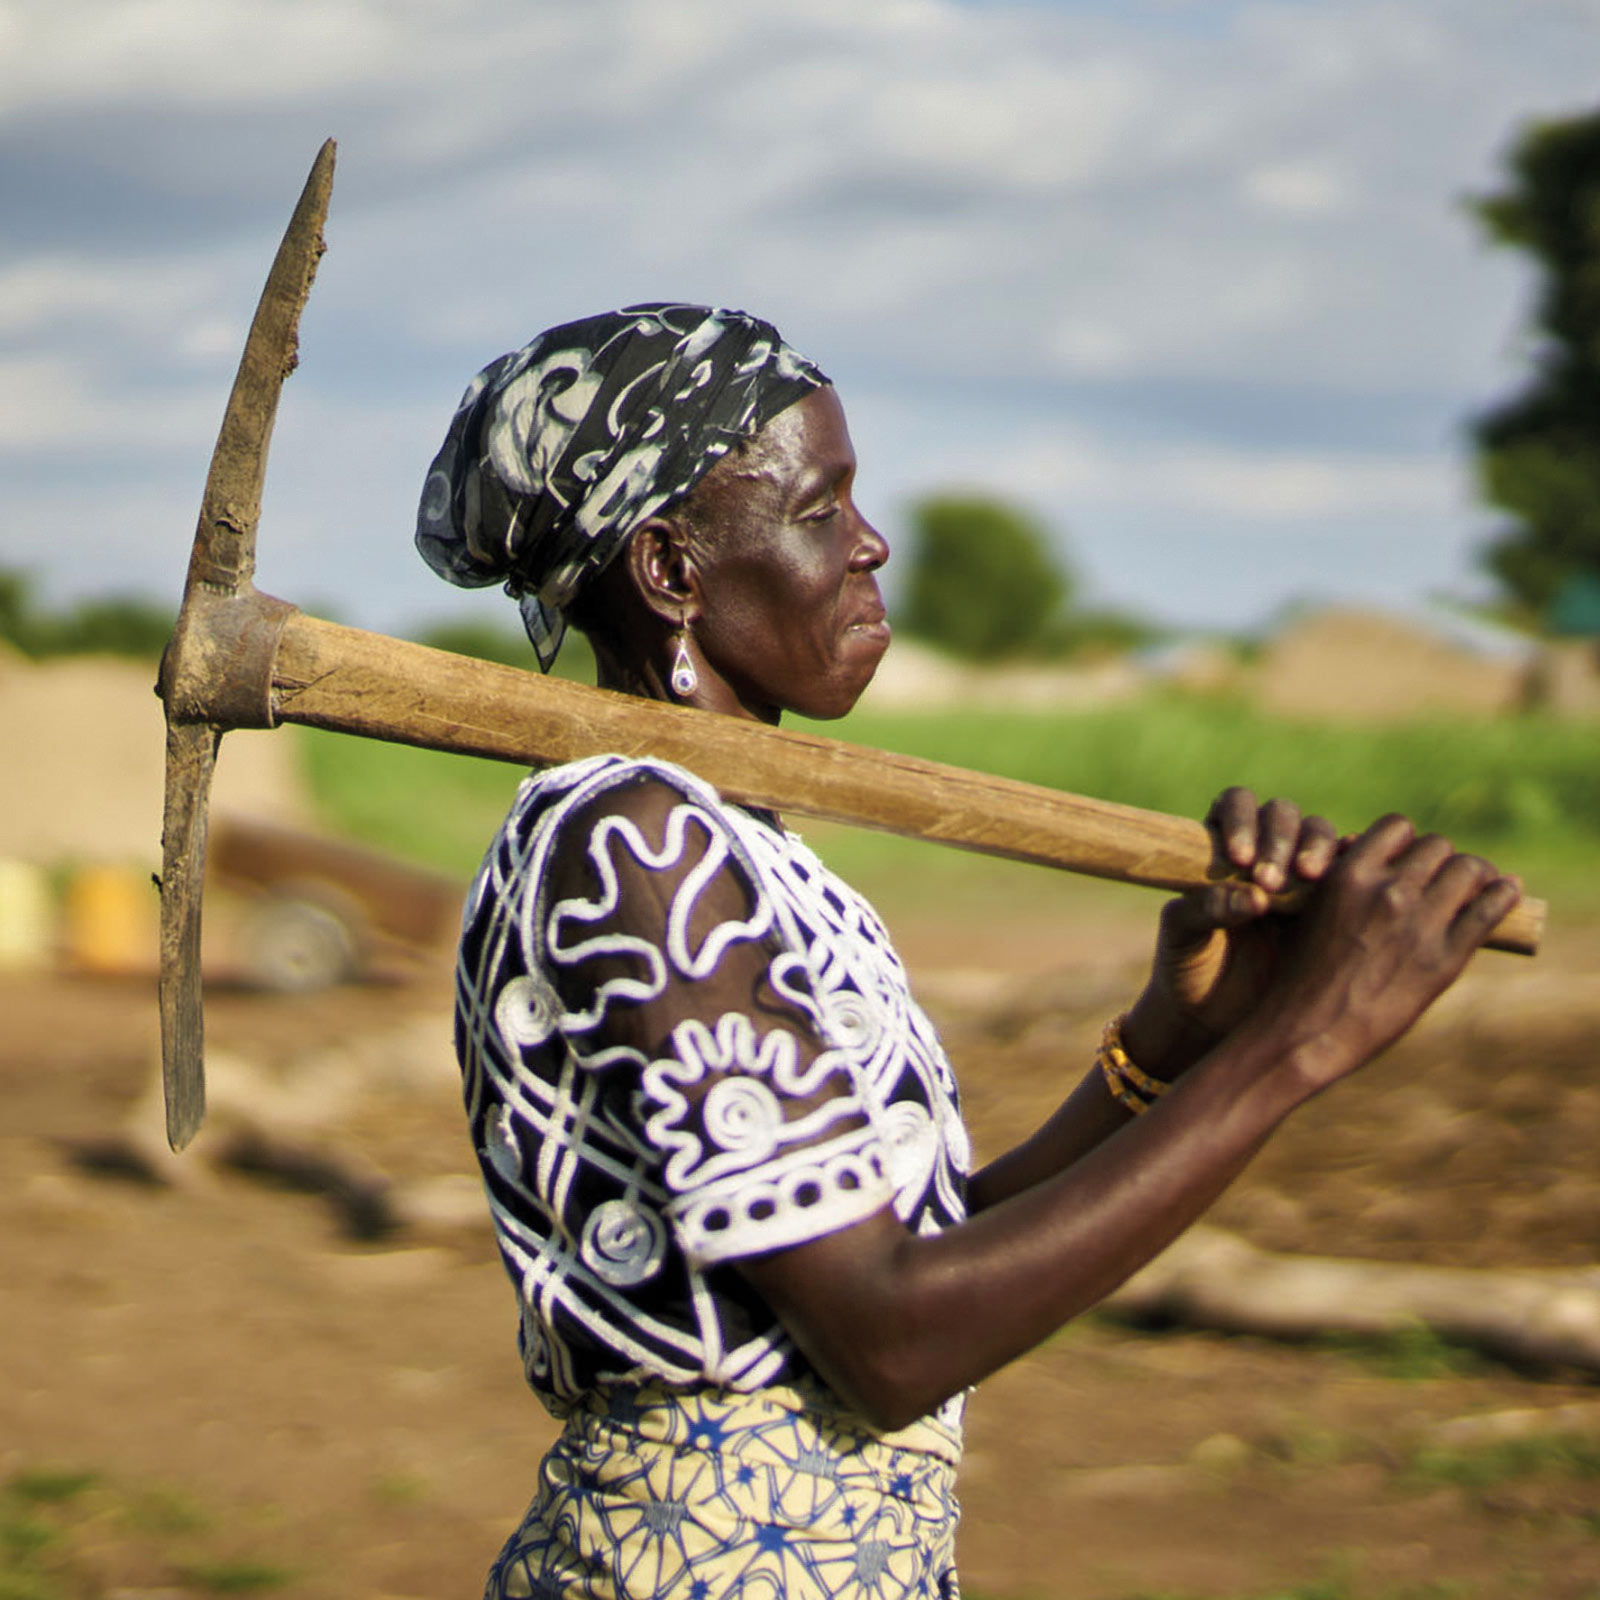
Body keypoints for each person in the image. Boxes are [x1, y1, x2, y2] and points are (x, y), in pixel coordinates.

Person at [416, 304, 1521, 1600]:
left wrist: (1182, 1041)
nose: (872, 544)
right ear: (670, 570)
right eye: (821, 509)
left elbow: (926, 1260)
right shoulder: (634, 842)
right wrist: (1303, 1044)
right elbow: (892, 1340)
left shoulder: (740, 848)